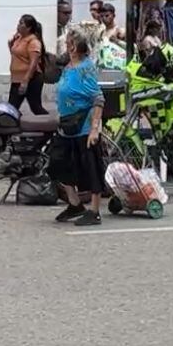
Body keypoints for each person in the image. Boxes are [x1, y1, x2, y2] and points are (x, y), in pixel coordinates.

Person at [50, 31, 106, 227]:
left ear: (74, 47)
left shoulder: (86, 68)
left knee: (91, 168)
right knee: (60, 164)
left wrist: (94, 129)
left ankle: (95, 211)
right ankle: (75, 205)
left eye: (68, 43)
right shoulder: (68, 67)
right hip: (67, 124)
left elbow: (98, 99)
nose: (66, 46)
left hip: (83, 125)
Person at [7, 14, 49, 116]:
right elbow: (16, 55)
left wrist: (25, 81)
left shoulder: (33, 41)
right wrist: (11, 44)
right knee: (11, 107)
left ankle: (50, 124)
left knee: (35, 107)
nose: (18, 25)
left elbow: (33, 63)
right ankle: (14, 126)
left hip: (31, 79)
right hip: (17, 78)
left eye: (21, 23)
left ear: (28, 28)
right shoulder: (19, 38)